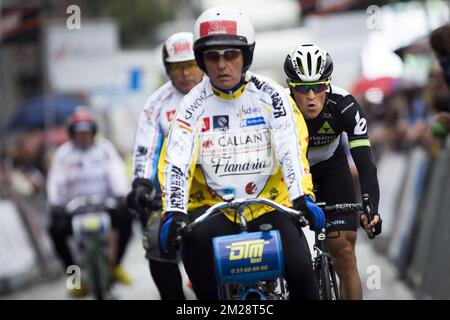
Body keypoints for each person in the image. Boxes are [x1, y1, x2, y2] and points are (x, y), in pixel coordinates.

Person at [158, 6, 325, 300]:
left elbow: (290, 147)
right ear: (202, 60)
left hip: (270, 204)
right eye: (213, 56)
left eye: (231, 55)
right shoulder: (191, 106)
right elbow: (177, 161)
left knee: (302, 274)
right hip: (213, 207)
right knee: (194, 253)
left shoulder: (272, 95)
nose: (222, 65)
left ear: (245, 56)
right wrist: (173, 211)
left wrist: (302, 196)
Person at [284, 43, 382, 299]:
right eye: (303, 89)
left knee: (345, 253)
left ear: (328, 84)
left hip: (332, 170)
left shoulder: (345, 105)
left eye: (318, 87)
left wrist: (371, 208)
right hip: (292, 175)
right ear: (290, 86)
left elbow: (366, 165)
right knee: (290, 259)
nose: (311, 96)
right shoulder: (278, 108)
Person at [126, 32, 203, 300]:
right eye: (177, 68)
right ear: (167, 70)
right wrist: (142, 183)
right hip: (172, 195)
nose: (184, 74)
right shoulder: (155, 105)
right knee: (156, 237)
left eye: (190, 65)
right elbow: (145, 150)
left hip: (222, 190)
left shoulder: (221, 91)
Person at [47, 108, 133, 296]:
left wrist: (120, 195)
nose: (83, 136)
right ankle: (74, 278)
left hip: (104, 206)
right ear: (72, 134)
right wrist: (56, 204)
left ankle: (116, 266)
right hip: (73, 209)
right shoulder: (62, 155)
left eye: (87, 132)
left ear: (93, 132)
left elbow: (116, 171)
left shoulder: (105, 149)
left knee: (127, 219)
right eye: (79, 133)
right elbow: (55, 181)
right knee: (54, 230)